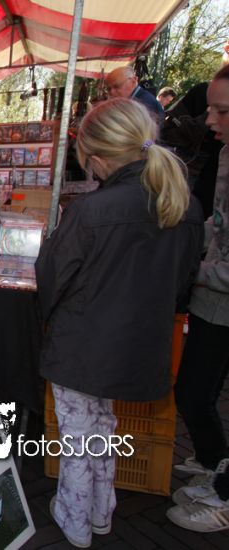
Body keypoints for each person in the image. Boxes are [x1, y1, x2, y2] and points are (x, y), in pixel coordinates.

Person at [35, 98, 203, 548]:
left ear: (96, 157)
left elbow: (52, 277)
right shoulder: (184, 205)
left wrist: (51, 320)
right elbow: (182, 280)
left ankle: (75, 520)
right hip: (135, 345)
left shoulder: (92, 210)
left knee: (77, 434)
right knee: (102, 426)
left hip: (80, 345)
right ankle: (100, 511)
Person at [166, 64, 229, 533]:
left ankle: (223, 497)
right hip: (213, 298)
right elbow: (218, 225)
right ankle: (214, 462)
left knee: (195, 390)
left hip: (218, 298)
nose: (208, 120)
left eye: (221, 110)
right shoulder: (225, 154)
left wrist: (195, 270)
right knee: (195, 391)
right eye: (210, 108)